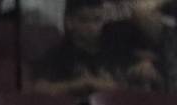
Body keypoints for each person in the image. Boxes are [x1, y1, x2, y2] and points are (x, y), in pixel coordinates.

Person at [30, 0, 163, 95]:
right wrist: (83, 84)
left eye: (97, 20)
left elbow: (150, 55)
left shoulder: (116, 40)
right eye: (85, 20)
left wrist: (146, 65)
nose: (93, 27)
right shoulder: (60, 54)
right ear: (69, 22)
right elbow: (39, 88)